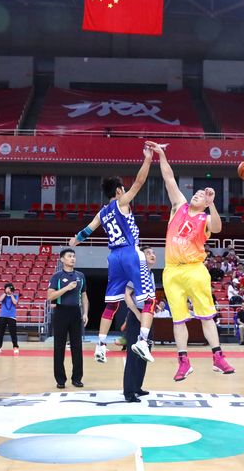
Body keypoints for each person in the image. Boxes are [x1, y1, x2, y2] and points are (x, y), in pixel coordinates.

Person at [148, 141, 234, 380]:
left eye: (202, 195)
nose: (197, 195)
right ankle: (184, 362)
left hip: (195, 269)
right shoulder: (179, 206)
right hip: (172, 270)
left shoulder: (206, 218)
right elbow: (169, 178)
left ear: (206, 202)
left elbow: (218, 228)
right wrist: (161, 155)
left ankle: (218, 357)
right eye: (196, 193)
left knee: (206, 315)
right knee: (178, 319)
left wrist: (212, 203)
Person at [68, 144, 156, 364]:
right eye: (123, 189)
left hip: (113, 258)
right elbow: (139, 182)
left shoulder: (102, 213)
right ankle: (143, 341)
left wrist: (75, 240)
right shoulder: (121, 203)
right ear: (118, 191)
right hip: (130, 253)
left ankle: (101, 346)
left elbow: (87, 231)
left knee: (112, 304)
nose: (125, 191)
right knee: (149, 299)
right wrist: (147, 159)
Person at [47, 248, 89, 389]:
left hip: (76, 312)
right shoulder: (57, 276)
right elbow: (50, 296)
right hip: (61, 312)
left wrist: (85, 313)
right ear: (62, 259)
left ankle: (77, 378)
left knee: (77, 346)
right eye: (69, 256)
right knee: (59, 346)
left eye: (74, 256)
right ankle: (60, 379)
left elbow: (84, 296)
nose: (72, 258)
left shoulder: (80, 276)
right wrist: (67, 288)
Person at [123, 245, 158, 402]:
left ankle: (137, 386)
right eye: (148, 253)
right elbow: (127, 295)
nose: (152, 255)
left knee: (145, 352)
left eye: (153, 252)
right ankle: (129, 392)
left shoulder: (151, 274)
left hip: (147, 316)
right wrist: (137, 314)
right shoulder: (136, 272)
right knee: (133, 354)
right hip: (137, 316)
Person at [0, 283, 20, 355]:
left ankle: (15, 347)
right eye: (8, 288)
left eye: (11, 288)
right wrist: (5, 293)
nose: (10, 290)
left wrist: (11, 294)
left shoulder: (15, 296)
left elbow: (15, 302)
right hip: (3, 316)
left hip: (12, 317)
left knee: (13, 333)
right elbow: (0, 299)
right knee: (0, 333)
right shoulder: (4, 295)